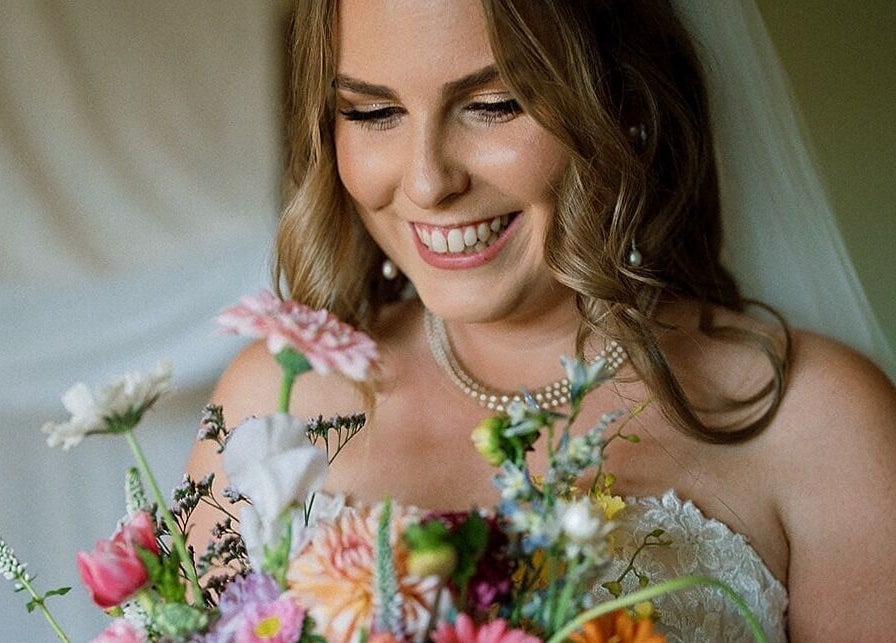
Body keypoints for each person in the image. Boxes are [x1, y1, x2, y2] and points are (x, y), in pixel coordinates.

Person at [187, 0, 896, 640]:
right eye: (374, 114)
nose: (429, 181)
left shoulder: (819, 422)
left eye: (494, 104)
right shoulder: (270, 404)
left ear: (626, 101)